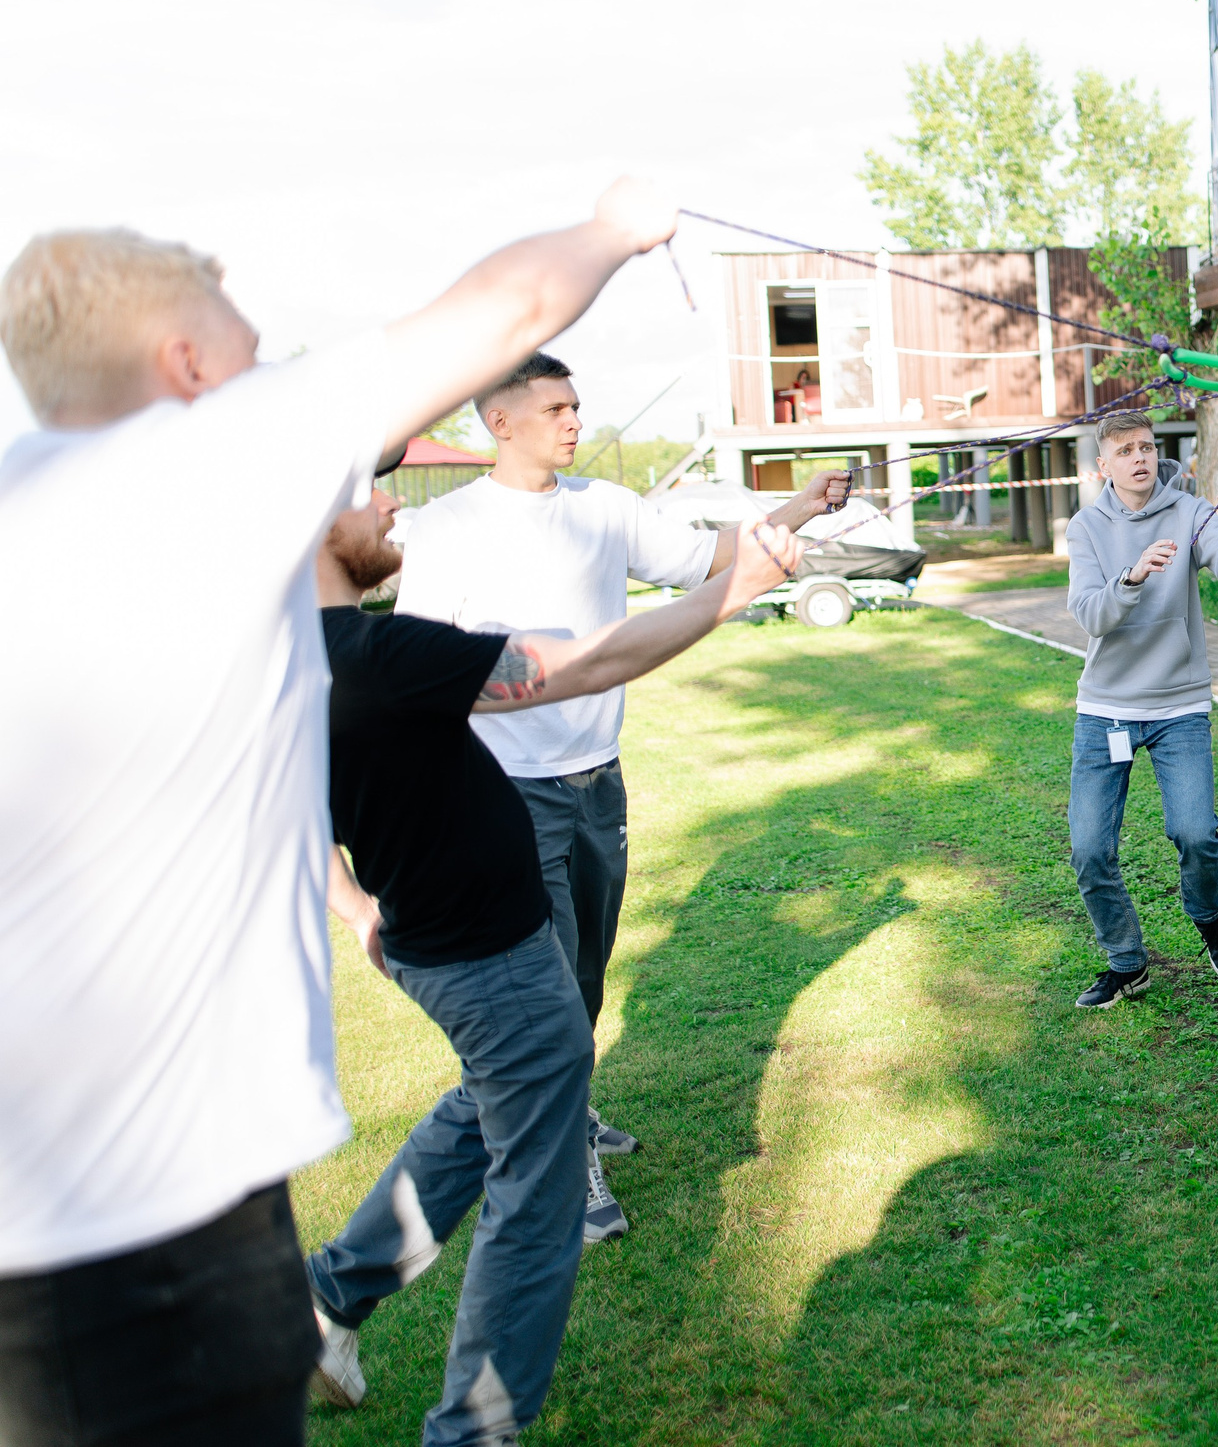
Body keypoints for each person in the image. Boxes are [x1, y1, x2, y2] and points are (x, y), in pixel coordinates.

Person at [0, 181, 678, 1447]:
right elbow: (510, 307)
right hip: (144, 1222)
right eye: (248, 345)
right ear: (184, 362)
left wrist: (354, 902)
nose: (272, 370)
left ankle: (339, 1303)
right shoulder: (195, 467)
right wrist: (616, 225)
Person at [303, 488, 800, 1441]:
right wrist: (732, 592)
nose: (388, 503)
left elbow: (289, 827)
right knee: (536, 1194)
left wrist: (363, 912)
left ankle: (327, 1304)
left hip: (446, 941)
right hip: (486, 954)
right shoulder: (375, 656)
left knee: (493, 1102)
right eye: (361, 495)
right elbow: (593, 662)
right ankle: (473, 1431)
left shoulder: (281, 669)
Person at [392, 353, 849, 1241]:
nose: (572, 421)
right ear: (501, 420)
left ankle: (578, 1107)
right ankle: (567, 1158)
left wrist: (797, 508)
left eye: (575, 406)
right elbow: (415, 666)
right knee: (550, 989)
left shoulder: (604, 507)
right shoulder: (446, 527)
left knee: (588, 971)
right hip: (506, 794)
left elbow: (708, 558)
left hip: (599, 780)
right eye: (555, 408)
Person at [1061, 413, 1218, 1008]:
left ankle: (1206, 914)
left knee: (1196, 833)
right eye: (1125, 451)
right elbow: (1089, 613)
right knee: (1090, 848)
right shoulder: (1086, 526)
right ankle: (1126, 961)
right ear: (1105, 465)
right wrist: (1132, 576)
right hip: (1106, 709)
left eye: (1147, 447)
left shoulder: (1190, 510)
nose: (1140, 458)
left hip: (1179, 704)